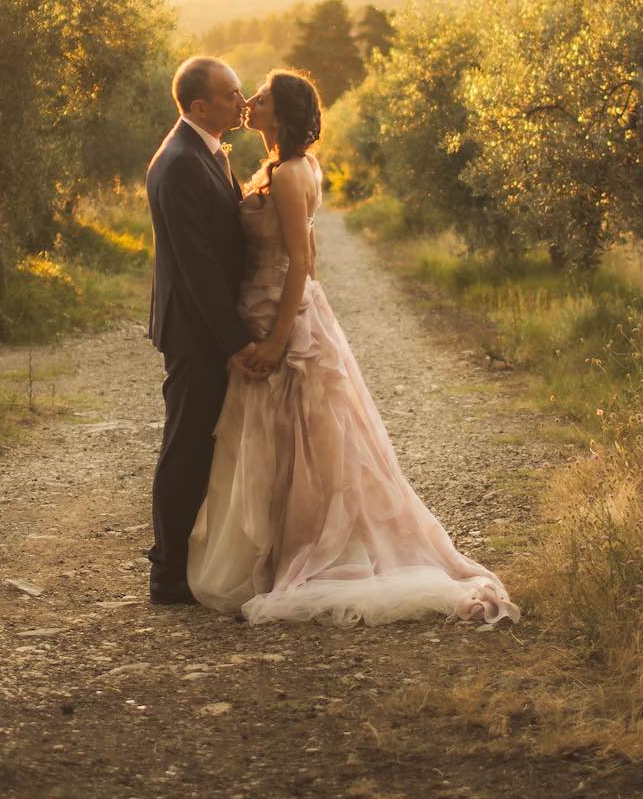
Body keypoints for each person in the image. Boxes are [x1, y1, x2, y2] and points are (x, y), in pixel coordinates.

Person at [186, 68, 519, 626]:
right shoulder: (284, 167)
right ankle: (277, 544)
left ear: (283, 115)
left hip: (281, 318)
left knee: (308, 442)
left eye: (261, 98)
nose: (249, 102)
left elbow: (300, 260)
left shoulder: (291, 175)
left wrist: (279, 335)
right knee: (289, 438)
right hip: (276, 308)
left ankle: (312, 550)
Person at [144, 56, 260, 605]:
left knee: (199, 443)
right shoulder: (181, 162)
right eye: (233, 94)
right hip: (194, 332)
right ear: (199, 106)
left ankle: (191, 561)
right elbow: (199, 267)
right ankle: (166, 575)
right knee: (187, 446)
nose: (243, 102)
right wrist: (236, 341)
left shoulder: (206, 152)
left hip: (204, 327)